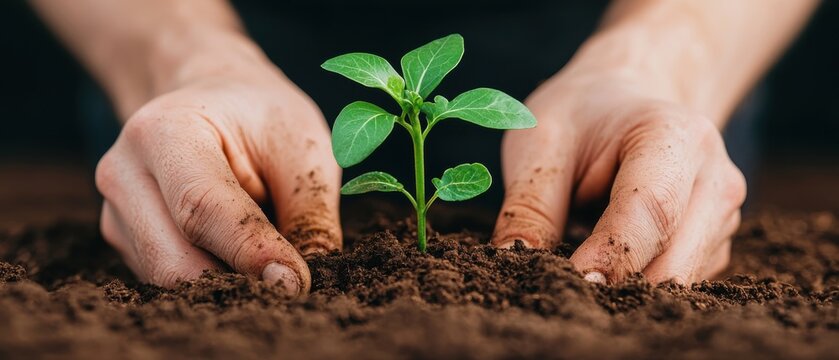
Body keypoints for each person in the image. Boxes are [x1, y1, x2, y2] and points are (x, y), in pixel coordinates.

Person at [30, 0, 818, 296]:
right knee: (186, 213)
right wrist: (177, 55)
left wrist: (668, 57)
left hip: (612, 118)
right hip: (220, 110)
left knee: (653, 219)